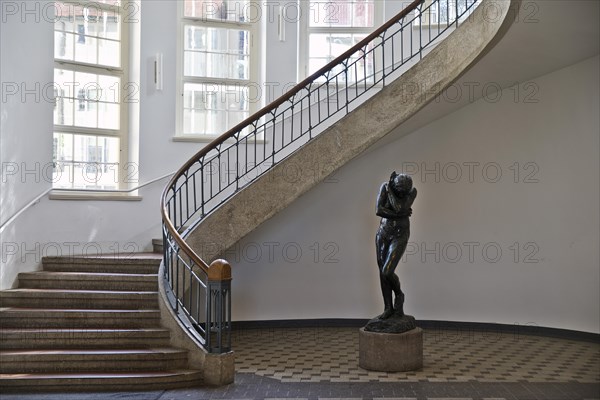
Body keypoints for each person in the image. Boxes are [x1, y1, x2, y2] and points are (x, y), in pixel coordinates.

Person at [375, 172, 417, 319]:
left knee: (387, 271)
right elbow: (379, 210)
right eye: (398, 189)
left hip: (400, 234)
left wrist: (390, 191)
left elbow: (398, 207)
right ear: (394, 184)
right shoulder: (385, 187)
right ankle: (388, 308)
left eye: (403, 191)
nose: (401, 193)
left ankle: (399, 294)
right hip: (383, 233)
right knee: (382, 272)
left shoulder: (412, 192)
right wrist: (400, 215)